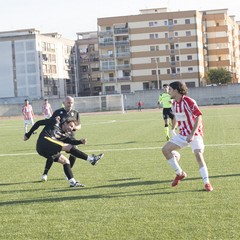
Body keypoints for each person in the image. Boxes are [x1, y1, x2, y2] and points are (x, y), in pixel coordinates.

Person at [161, 81, 213, 192]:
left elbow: (199, 117)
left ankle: (207, 183)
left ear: (176, 90)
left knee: (198, 155)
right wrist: (173, 129)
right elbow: (176, 117)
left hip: (195, 133)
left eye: (170, 89)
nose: (168, 91)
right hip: (182, 134)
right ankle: (180, 173)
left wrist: (192, 134)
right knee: (165, 150)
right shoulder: (174, 103)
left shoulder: (188, 101)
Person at [24, 116, 104, 187]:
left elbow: (72, 141)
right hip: (43, 142)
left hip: (46, 150)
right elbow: (38, 123)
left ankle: (72, 182)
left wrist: (80, 141)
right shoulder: (55, 122)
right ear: (65, 123)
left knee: (66, 161)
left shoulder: (64, 135)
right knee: (67, 146)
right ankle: (91, 159)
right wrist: (28, 135)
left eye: (73, 128)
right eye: (71, 126)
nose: (71, 129)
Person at [40, 96, 81, 181]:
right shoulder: (58, 112)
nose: (70, 104)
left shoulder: (75, 113)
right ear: (64, 103)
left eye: (71, 103)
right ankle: (45, 174)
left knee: (74, 152)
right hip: (58, 137)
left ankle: (68, 174)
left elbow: (79, 125)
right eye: (68, 102)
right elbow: (52, 123)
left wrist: (74, 128)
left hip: (70, 137)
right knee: (53, 154)